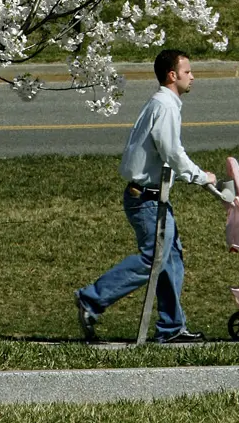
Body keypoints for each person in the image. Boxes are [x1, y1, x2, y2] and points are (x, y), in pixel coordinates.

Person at [75, 50, 216, 344]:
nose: (193, 77)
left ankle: (172, 327)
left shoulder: (164, 104)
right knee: (155, 258)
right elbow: (171, 151)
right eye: (188, 71)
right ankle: (92, 299)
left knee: (172, 259)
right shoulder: (164, 106)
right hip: (146, 200)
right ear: (172, 75)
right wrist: (200, 176)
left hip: (155, 198)